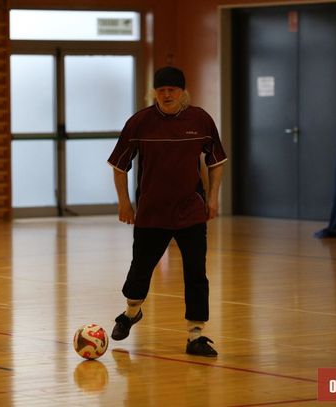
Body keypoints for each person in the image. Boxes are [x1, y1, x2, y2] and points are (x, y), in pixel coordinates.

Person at [107, 66, 227, 357]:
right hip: (151, 212)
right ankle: (131, 311)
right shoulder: (139, 123)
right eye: (161, 90)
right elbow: (119, 165)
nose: (166, 95)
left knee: (196, 273)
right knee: (140, 269)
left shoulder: (200, 120)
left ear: (183, 92)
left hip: (191, 212)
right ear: (154, 93)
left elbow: (216, 162)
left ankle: (195, 334)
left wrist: (213, 198)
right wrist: (124, 202)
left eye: (172, 90)